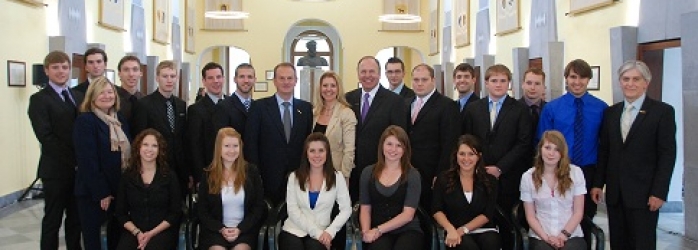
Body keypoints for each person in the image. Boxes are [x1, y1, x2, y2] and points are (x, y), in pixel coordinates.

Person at [591, 60, 677, 250]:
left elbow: (667, 155)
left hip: (645, 195)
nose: (630, 84)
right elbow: (605, 150)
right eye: (625, 79)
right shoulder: (611, 113)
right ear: (620, 82)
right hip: (615, 193)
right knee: (618, 243)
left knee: (642, 243)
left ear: (646, 82)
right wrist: (598, 183)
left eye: (636, 79)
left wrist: (659, 192)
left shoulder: (662, 112)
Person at [537, 59, 608, 237]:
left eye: (583, 77)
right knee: (555, 217)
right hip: (557, 170)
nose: (577, 82)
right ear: (566, 79)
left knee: (585, 219)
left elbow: (605, 148)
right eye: (573, 77)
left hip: (588, 172)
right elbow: (540, 143)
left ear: (588, 80)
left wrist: (599, 182)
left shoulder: (601, 108)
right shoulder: (552, 108)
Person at [28, 50, 83, 250]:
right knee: (53, 219)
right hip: (56, 171)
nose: (61, 71)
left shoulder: (77, 96)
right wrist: (74, 160)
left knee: (75, 219)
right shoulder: (39, 100)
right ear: (47, 70)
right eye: (56, 67)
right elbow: (46, 137)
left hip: (78, 172)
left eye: (65, 67)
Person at [462, 64, 532, 213]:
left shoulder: (520, 109)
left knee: (505, 220)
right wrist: (478, 165)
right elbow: (467, 140)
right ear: (486, 83)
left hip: (508, 175)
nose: (498, 84)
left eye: (503, 80)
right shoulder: (473, 109)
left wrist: (500, 168)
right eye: (494, 80)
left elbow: (523, 143)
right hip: (478, 173)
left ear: (509, 83)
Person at [73, 76, 130, 250]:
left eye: (110, 91)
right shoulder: (86, 121)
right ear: (92, 96)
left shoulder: (119, 119)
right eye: (101, 93)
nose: (107, 96)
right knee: (93, 240)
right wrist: (101, 192)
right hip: (93, 192)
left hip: (117, 188)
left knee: (116, 235)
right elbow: (87, 160)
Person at [244, 62, 313, 205]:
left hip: (298, 176)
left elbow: (308, 143)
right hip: (268, 176)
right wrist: (255, 175)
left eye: (289, 78)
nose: (286, 82)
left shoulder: (305, 108)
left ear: (296, 81)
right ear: (274, 81)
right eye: (281, 78)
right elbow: (251, 143)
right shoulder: (259, 107)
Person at [345, 56, 406, 202]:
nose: (367, 76)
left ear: (379, 74)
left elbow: (399, 138)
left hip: (381, 168)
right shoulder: (348, 98)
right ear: (358, 74)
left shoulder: (394, 101)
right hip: (352, 169)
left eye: (371, 71)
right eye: (363, 71)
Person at [280, 133, 352, 250]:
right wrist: (317, 233)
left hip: (323, 232)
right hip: (294, 230)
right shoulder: (294, 177)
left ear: (327, 153)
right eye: (312, 151)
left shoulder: (337, 177)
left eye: (321, 150)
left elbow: (346, 209)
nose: (317, 155)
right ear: (306, 154)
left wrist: (330, 232)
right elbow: (292, 210)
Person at [197, 128, 266, 250]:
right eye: (227, 146)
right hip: (215, 231)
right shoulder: (208, 175)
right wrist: (221, 229)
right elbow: (202, 210)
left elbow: (258, 206)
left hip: (245, 230)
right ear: (219, 148)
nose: (232, 150)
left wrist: (240, 229)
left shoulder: (251, 172)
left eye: (235, 146)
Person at [115, 129, 182, 250]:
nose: (149, 149)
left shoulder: (169, 176)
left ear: (159, 150)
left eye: (154, 146)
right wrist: (137, 233)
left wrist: (151, 234)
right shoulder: (127, 176)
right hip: (134, 232)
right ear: (138, 148)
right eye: (145, 144)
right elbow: (121, 213)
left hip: (162, 231)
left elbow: (175, 213)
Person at [359, 125, 423, 250]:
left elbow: (408, 215)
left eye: (399, 145)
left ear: (405, 149)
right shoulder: (368, 172)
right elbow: (365, 208)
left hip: (408, 231)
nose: (393, 149)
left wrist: (378, 230)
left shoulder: (413, 174)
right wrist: (366, 232)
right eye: (389, 144)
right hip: (378, 231)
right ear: (382, 145)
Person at [432, 135, 501, 250]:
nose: (466, 159)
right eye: (462, 154)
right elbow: (436, 210)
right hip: (453, 230)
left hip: (483, 229)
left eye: (471, 154)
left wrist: (464, 229)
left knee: (491, 243)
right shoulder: (443, 179)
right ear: (456, 155)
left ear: (479, 156)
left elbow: (487, 214)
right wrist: (450, 229)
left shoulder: (490, 181)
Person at [132, 60, 190, 196]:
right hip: (154, 166)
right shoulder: (144, 105)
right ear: (157, 78)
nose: (169, 80)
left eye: (172, 76)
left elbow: (183, 137)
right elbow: (139, 138)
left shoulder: (181, 105)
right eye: (165, 76)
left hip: (179, 168)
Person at [521, 130, 586, 250]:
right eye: (547, 148)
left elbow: (578, 212)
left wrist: (563, 235)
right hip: (540, 236)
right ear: (540, 149)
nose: (551, 153)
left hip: (571, 235)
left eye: (557, 149)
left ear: (562, 153)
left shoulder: (576, 173)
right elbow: (530, 216)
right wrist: (546, 238)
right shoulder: (528, 177)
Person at [406, 64, 459, 210]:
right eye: (416, 80)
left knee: (430, 212)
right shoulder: (406, 103)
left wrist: (441, 173)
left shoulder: (447, 105)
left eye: (424, 79)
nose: (420, 83)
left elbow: (450, 143)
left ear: (433, 80)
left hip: (432, 172)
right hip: (407, 169)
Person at [312, 71, 356, 180]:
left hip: (336, 173)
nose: (328, 89)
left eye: (333, 85)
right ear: (320, 88)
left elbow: (349, 149)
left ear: (338, 89)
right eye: (325, 85)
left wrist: (344, 176)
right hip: (314, 171)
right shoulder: (314, 113)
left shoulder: (346, 113)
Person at [189, 62, 227, 183]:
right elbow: (195, 147)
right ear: (204, 81)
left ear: (223, 79)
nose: (216, 81)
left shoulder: (232, 104)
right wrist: (201, 178)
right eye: (210, 78)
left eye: (219, 77)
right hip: (209, 171)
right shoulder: (196, 110)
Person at [213, 63, 256, 138]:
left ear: (255, 80)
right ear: (235, 79)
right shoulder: (223, 107)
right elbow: (221, 139)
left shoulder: (257, 106)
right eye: (242, 77)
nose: (246, 80)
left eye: (250, 77)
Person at [115, 55, 145, 130]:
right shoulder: (113, 100)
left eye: (135, 70)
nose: (131, 74)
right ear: (119, 74)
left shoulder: (146, 101)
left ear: (140, 73)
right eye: (126, 70)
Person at [453, 63, 480, 135]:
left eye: (466, 77)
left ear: (473, 80)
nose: (462, 80)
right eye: (459, 77)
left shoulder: (480, 106)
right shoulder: (452, 105)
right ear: (454, 80)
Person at [519, 67, 547, 137]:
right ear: (523, 85)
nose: (532, 87)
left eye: (537, 84)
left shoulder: (550, 109)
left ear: (543, 87)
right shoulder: (512, 109)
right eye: (529, 83)